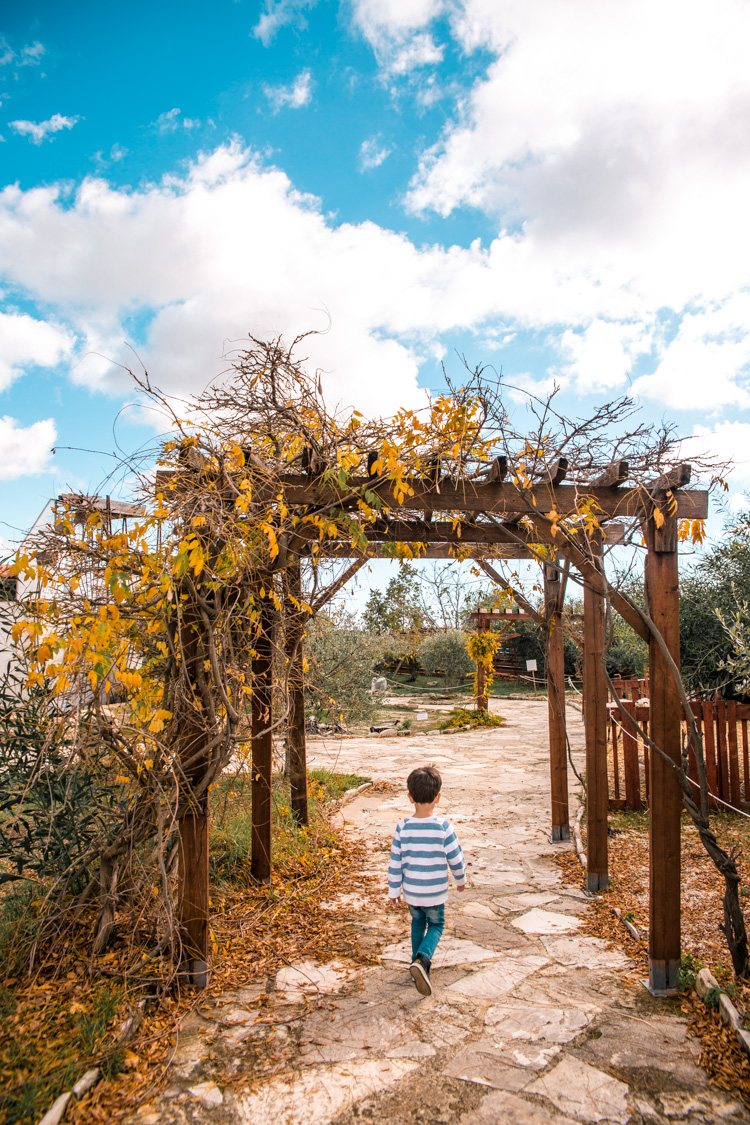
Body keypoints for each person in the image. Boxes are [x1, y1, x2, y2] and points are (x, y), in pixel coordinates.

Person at [387, 764, 466, 997]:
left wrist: (394, 891)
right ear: (438, 798)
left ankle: (416, 964)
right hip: (434, 893)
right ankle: (422, 960)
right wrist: (460, 879)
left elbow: (395, 862)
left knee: (417, 924)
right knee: (437, 925)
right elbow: (456, 857)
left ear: (409, 797)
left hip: (412, 893)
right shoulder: (443, 827)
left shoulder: (403, 827)